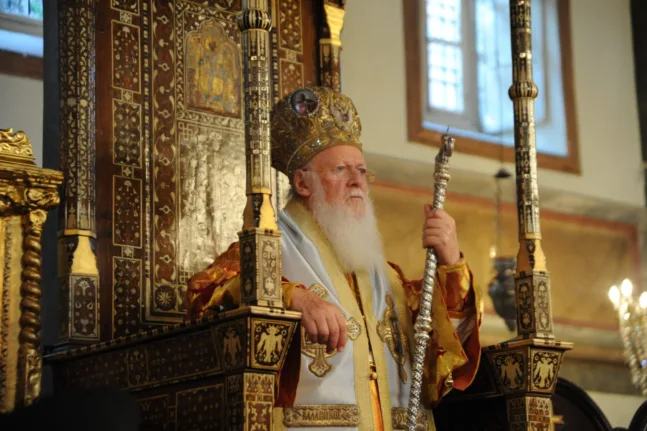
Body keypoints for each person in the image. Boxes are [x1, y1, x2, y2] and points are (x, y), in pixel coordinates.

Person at [187, 87, 482, 430]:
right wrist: (293, 297)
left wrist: (450, 262)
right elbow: (202, 294)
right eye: (341, 169)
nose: (357, 182)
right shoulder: (268, 249)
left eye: (362, 171)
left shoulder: (386, 276)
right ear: (303, 183)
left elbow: (441, 353)